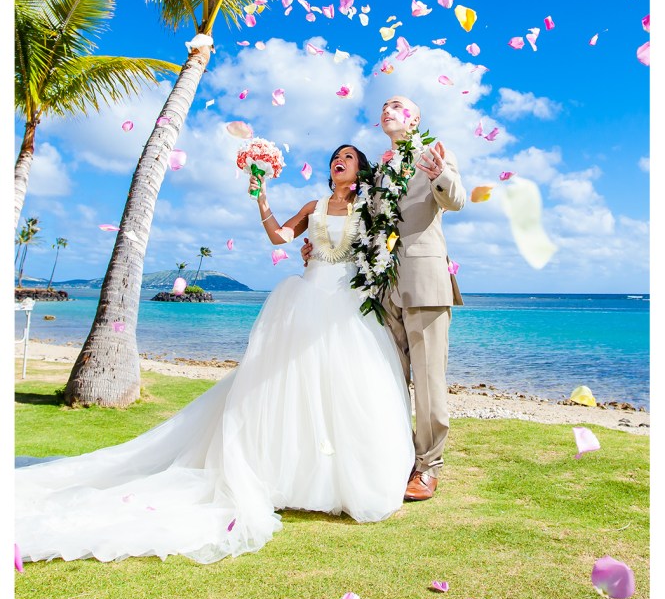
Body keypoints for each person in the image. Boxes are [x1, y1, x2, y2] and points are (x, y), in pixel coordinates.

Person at [15, 144, 414, 565]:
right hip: (308, 299)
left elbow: (384, 243)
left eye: (349, 157)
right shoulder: (313, 205)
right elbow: (280, 236)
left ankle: (348, 480)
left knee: (348, 388)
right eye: (336, 157)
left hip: (347, 307)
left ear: (361, 170)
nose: (340, 161)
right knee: (289, 387)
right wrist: (261, 196)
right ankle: (292, 479)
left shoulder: (372, 207)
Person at [303, 97, 465, 502]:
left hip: (424, 282)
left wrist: (440, 174)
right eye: (384, 106)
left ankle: (429, 468)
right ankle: (399, 458)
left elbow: (455, 200)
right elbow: (365, 227)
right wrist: (320, 250)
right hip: (379, 288)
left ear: (416, 118)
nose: (388, 109)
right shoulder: (375, 175)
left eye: (397, 105)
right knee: (389, 382)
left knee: (428, 383)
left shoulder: (434, 154)